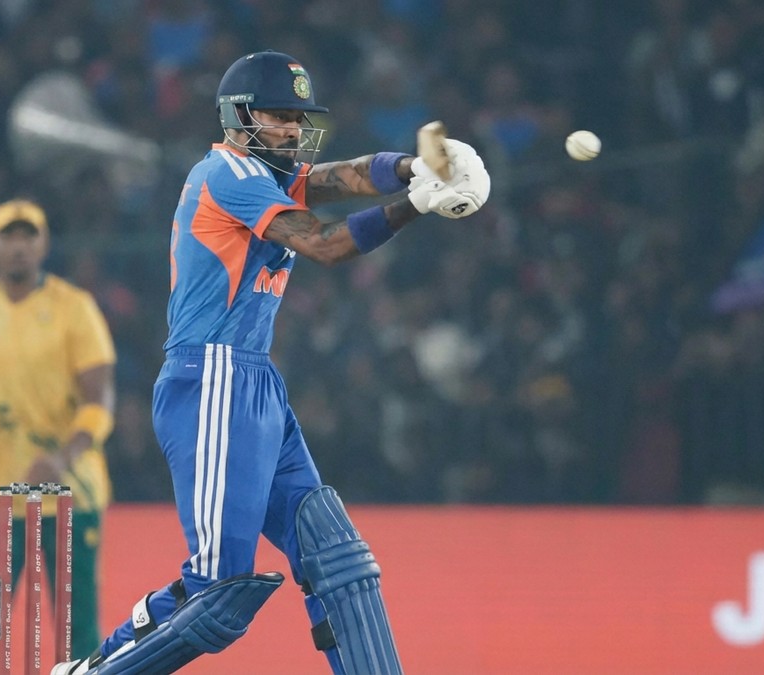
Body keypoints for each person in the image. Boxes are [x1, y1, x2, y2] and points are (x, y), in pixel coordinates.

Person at [53, 50, 490, 675]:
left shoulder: (269, 173)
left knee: (336, 558)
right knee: (218, 594)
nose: (292, 129)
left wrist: (415, 166)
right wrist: (417, 203)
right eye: (279, 116)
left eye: (297, 118)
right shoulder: (227, 172)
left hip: (252, 379)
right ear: (238, 116)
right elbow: (324, 243)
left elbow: (345, 176)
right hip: (209, 378)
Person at [0, 199, 117, 674]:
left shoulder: (74, 309)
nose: (19, 247)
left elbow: (99, 402)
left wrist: (61, 458)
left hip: (70, 494)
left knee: (75, 623)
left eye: (28, 236)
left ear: (44, 245)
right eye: (8, 237)